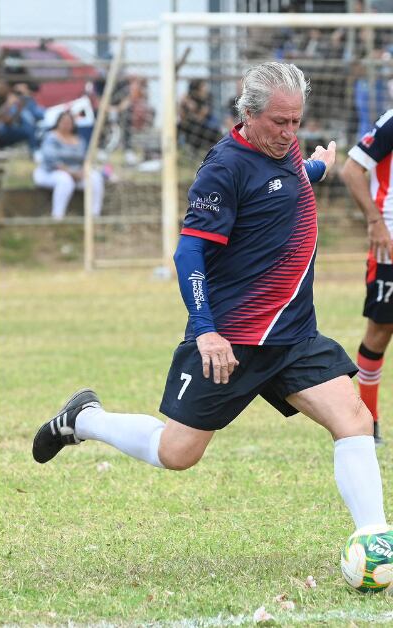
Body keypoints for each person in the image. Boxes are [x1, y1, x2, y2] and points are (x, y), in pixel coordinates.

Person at [32, 62, 388, 538]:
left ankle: (375, 542)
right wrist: (206, 330)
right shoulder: (224, 169)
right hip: (232, 339)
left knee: (354, 420)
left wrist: (318, 166)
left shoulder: (283, 148)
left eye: (296, 121)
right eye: (279, 122)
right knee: (176, 454)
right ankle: (86, 418)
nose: (288, 132)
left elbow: (285, 181)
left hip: (293, 334)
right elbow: (189, 252)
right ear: (248, 112)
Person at [338, 107, 393, 443]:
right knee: (381, 329)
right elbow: (352, 170)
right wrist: (375, 222)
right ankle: (368, 423)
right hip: (390, 246)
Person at [32, 110, 103, 220]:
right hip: (50, 173)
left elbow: (85, 159)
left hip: (77, 175)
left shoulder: (79, 140)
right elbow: (52, 160)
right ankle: (57, 217)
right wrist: (71, 172)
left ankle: (94, 215)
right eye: (64, 122)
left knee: (95, 177)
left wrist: (83, 171)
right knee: (65, 180)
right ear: (58, 123)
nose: (66, 125)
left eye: (69, 122)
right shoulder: (51, 138)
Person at [178, 79, 219, 154]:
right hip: (190, 126)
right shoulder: (189, 98)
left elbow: (202, 116)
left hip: (205, 126)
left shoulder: (207, 98)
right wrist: (184, 102)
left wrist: (193, 109)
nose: (205, 89)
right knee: (179, 126)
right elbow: (182, 117)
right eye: (203, 87)